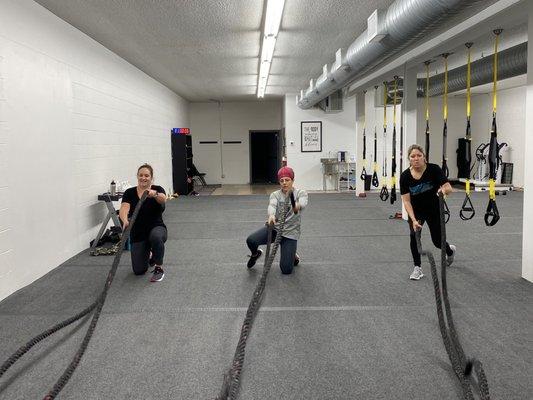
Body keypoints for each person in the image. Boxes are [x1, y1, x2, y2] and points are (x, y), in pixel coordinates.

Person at [400, 145, 456, 280]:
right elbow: (406, 201)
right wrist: (413, 220)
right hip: (416, 212)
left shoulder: (434, 169)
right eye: (413, 156)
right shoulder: (405, 176)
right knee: (414, 237)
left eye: (419, 155)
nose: (416, 158)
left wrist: (442, 191)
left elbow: (448, 188)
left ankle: (450, 251)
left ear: (424, 157)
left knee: (437, 241)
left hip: (433, 210)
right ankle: (417, 268)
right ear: (409, 159)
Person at [246, 166, 308, 275]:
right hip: (275, 230)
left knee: (286, 270)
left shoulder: (301, 193)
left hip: (290, 233)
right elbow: (272, 205)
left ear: (292, 180)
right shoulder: (275, 194)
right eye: (281, 180)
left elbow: (302, 203)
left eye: (287, 180)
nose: (284, 183)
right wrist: (271, 216)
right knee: (251, 240)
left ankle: (293, 255)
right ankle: (256, 254)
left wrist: (296, 206)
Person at [119, 164, 167, 282]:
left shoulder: (157, 189)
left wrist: (154, 194)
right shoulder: (129, 192)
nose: (143, 178)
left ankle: (159, 268)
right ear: (137, 176)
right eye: (141, 175)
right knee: (139, 271)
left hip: (156, 228)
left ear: (151, 177)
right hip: (138, 233)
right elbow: (124, 208)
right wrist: (125, 220)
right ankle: (150, 254)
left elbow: (163, 198)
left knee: (155, 237)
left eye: (146, 175)